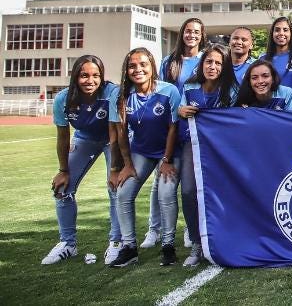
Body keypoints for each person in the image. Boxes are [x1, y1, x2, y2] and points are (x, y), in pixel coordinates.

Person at [42, 55, 121, 265]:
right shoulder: (63, 99)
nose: (90, 80)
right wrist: (63, 169)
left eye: (96, 76)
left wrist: (115, 169)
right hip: (84, 138)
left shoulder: (111, 93)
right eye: (84, 75)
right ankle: (68, 243)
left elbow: (116, 131)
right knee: (61, 188)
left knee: (116, 188)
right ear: (76, 77)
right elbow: (63, 136)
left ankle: (116, 242)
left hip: (111, 139)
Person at [107, 48, 182, 267]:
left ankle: (168, 245)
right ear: (126, 70)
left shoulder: (169, 91)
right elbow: (120, 132)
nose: (138, 69)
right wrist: (125, 165)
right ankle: (129, 247)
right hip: (140, 152)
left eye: (143, 64)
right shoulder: (120, 94)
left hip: (169, 152)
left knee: (166, 192)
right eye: (132, 66)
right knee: (123, 193)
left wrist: (166, 161)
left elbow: (173, 128)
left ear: (152, 67)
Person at [143, 17, 207, 250]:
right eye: (188, 31)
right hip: (171, 123)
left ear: (202, 36)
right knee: (161, 180)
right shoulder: (169, 61)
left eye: (196, 32)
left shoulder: (205, 60)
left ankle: (190, 230)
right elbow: (160, 90)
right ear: (182, 34)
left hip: (195, 126)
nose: (192, 35)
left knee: (191, 182)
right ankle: (154, 229)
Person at [177, 44, 239, 266]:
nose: (212, 66)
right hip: (192, 146)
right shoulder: (190, 86)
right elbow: (179, 110)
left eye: (218, 63)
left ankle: (224, 236)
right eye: (209, 62)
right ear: (202, 64)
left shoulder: (231, 90)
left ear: (225, 67)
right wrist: (180, 110)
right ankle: (195, 242)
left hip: (220, 149)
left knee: (223, 191)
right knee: (188, 190)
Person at [259, 16, 292, 94]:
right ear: (272, 33)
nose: (281, 33)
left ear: (291, 33)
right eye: (277, 30)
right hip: (268, 105)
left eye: (285, 30)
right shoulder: (262, 58)